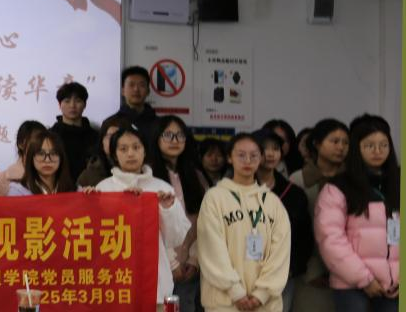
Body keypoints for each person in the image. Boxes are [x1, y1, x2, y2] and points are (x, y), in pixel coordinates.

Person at [92, 125, 191, 306]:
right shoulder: (103, 189)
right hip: (114, 288)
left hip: (155, 288)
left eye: (136, 147)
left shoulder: (162, 188)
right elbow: (92, 241)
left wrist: (167, 209)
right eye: (123, 149)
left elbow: (177, 238)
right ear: (114, 155)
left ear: (145, 151)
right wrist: (88, 203)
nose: (130, 153)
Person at [197, 133, 291, 312]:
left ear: (261, 158)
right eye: (241, 155)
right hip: (224, 303)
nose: (247, 161)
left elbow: (281, 252)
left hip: (265, 305)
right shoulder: (215, 198)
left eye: (254, 155)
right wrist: (236, 292)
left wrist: (261, 294)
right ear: (229, 158)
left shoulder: (273, 202)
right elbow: (211, 249)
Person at [315, 114, 399, 312]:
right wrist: (364, 279)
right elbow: (330, 238)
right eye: (369, 145)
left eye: (383, 145)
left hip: (393, 283)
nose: (377, 151)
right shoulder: (338, 187)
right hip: (351, 283)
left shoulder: (398, 183)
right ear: (356, 148)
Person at [289, 119, 350, 312]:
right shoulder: (298, 179)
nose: (341, 147)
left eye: (345, 142)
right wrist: (310, 270)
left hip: (348, 272)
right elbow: (294, 231)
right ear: (316, 143)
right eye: (334, 141)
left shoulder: (354, 180)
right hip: (308, 273)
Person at [149, 115, 207, 312]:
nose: (174, 140)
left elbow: (205, 222)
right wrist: (172, 263)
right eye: (168, 135)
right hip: (158, 268)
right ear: (156, 138)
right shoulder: (148, 177)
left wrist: (194, 259)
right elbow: (149, 227)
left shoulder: (195, 176)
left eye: (180, 135)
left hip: (189, 268)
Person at [256, 130, 314, 312]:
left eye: (275, 149)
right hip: (244, 274)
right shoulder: (235, 191)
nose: (270, 154)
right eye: (264, 149)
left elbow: (303, 237)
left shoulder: (294, 194)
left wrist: (292, 268)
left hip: (282, 274)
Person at [50, 81, 97, 180]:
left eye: (78, 101)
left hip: (89, 186)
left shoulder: (95, 136)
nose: (72, 105)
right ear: (59, 104)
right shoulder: (50, 135)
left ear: (85, 104)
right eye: (67, 101)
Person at [8, 129, 75, 196]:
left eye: (53, 153)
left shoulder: (75, 191)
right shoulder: (17, 191)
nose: (47, 160)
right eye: (41, 154)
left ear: (61, 158)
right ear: (31, 158)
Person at [0, 120, 46, 196]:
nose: (41, 144)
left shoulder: (53, 173)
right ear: (21, 144)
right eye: (36, 140)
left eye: (43, 140)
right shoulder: (5, 179)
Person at [76, 115, 129, 187]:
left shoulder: (141, 172)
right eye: (110, 136)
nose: (114, 141)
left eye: (119, 136)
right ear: (102, 141)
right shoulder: (88, 176)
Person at [113, 66, 158, 138]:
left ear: (148, 91)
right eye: (131, 85)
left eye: (141, 85)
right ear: (123, 91)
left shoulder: (159, 124)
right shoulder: (111, 123)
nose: (136, 89)